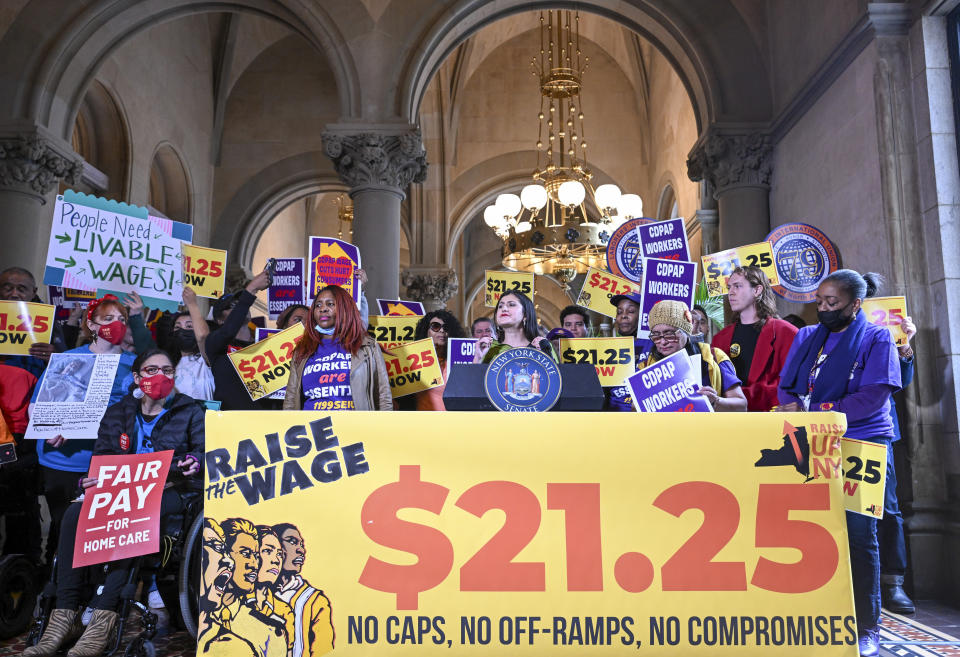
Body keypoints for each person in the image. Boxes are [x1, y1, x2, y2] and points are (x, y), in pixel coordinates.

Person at [25, 349, 204, 657]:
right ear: (136, 378)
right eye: (151, 370)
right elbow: (104, 453)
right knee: (73, 513)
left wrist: (194, 462)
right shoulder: (120, 411)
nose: (160, 376)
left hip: (169, 491)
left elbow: (204, 451)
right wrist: (91, 477)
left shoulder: (191, 410)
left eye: (166, 370)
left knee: (136, 514)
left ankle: (103, 617)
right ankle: (63, 616)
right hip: (119, 488)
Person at [777, 270, 901, 657]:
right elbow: (787, 384)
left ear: (856, 304)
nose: (825, 310)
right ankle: (816, 613)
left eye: (834, 304)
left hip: (861, 438)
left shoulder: (877, 337)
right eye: (820, 303)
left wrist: (825, 412)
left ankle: (867, 626)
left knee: (860, 533)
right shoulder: (806, 335)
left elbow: (873, 396)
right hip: (812, 436)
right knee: (808, 525)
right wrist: (799, 410)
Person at [32, 294, 137, 567]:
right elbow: (37, 406)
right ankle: (54, 591)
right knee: (62, 529)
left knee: (99, 534)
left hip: (107, 461)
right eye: (108, 318)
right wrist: (50, 428)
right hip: (63, 460)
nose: (117, 323)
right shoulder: (66, 359)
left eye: (122, 319)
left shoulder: (134, 366)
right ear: (91, 325)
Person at [861, 277, 917, 615]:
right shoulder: (830, 333)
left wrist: (905, 347)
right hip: (841, 427)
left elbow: (902, 382)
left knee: (887, 506)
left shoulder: (888, 332)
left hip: (881, 429)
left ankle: (893, 583)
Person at [283, 285, 392, 411]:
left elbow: (383, 395)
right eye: (318, 305)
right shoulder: (302, 350)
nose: (323, 309)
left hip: (355, 427)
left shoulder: (367, 346)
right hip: (312, 428)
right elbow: (290, 400)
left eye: (330, 304)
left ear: (344, 308)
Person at [712, 266, 798, 411]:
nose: (731, 292)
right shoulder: (720, 339)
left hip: (771, 418)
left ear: (757, 290)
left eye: (738, 286)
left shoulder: (786, 333)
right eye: (729, 287)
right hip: (731, 420)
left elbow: (791, 384)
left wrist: (736, 398)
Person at [641, 300, 747, 411]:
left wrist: (715, 401)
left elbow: (742, 405)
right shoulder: (647, 365)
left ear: (686, 331)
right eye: (656, 336)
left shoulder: (713, 356)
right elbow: (635, 408)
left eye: (669, 334)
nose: (663, 342)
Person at [202, 268, 272, 410]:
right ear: (220, 320)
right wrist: (251, 289)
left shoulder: (263, 343)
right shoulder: (215, 343)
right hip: (231, 422)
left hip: (265, 422)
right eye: (231, 306)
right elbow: (228, 332)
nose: (239, 307)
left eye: (239, 303)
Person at [273, 523, 335, 657]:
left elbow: (324, 650)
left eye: (301, 544)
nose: (301, 550)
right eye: (292, 542)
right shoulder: (254, 594)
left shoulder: (315, 601)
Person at [473, 291, 556, 362]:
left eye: (511, 304)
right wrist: (478, 357)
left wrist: (545, 355)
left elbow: (557, 378)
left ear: (525, 314)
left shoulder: (542, 346)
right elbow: (474, 380)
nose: (504, 308)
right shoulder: (489, 349)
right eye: (500, 306)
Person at [605, 291, 652, 411]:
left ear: (642, 315)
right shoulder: (609, 348)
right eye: (619, 312)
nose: (623, 315)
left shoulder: (655, 344)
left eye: (630, 311)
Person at [410, 310, 464, 411]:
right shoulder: (412, 359)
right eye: (435, 326)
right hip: (422, 422)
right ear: (426, 331)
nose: (441, 330)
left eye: (446, 327)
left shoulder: (458, 360)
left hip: (452, 423)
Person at [170, 287, 215, 401]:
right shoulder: (169, 364)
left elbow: (203, 336)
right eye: (177, 327)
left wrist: (192, 304)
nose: (182, 331)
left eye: (189, 326)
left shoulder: (205, 360)